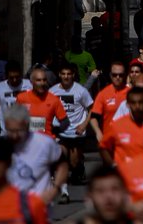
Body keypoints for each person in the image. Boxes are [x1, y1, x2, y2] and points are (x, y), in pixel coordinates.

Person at [3, 105, 67, 205]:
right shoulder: (1, 145)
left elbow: (63, 165)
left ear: (27, 125)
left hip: (39, 205)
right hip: (12, 207)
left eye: (18, 130)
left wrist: (55, 189)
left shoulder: (44, 143)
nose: (15, 136)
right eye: (11, 131)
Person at [51, 62, 94, 196]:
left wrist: (84, 125)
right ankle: (62, 182)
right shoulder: (52, 91)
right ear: (59, 75)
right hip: (60, 130)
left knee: (73, 162)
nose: (66, 77)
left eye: (69, 74)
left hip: (77, 130)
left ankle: (79, 167)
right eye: (63, 74)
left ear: (73, 75)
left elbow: (92, 108)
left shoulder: (80, 91)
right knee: (60, 155)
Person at [98, 86, 143, 166]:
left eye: (140, 102)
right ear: (127, 104)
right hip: (126, 172)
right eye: (133, 103)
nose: (137, 106)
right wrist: (113, 165)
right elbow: (103, 146)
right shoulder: (118, 125)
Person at [15, 67, 68, 138]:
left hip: (46, 142)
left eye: (44, 80)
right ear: (31, 82)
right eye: (38, 80)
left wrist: (54, 131)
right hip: (27, 142)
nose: (42, 83)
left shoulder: (54, 99)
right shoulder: (21, 98)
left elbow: (65, 122)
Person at [0, 61, 27, 135]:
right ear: (6, 76)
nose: (14, 80)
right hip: (6, 134)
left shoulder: (29, 85)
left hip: (26, 133)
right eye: (11, 77)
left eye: (17, 77)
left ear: (21, 74)